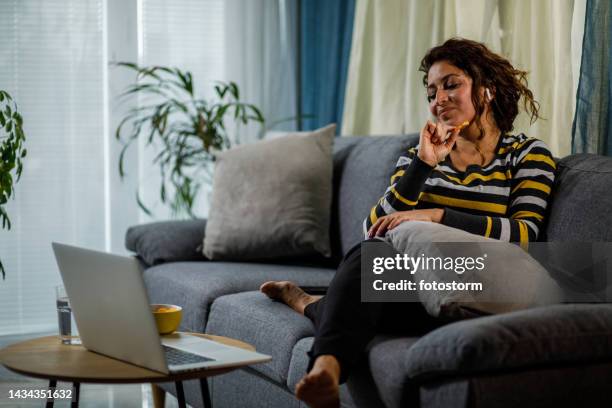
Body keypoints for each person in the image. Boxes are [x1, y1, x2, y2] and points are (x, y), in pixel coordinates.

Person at [260, 38, 557, 408]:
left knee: (361, 297)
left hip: (480, 284)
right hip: (418, 287)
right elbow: (373, 229)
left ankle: (310, 303)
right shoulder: (421, 157)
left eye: (452, 84)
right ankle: (325, 371)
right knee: (371, 259)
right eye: (432, 92)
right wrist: (424, 165)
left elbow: (526, 234)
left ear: (487, 90)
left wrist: (438, 216)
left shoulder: (527, 155)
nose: (439, 99)